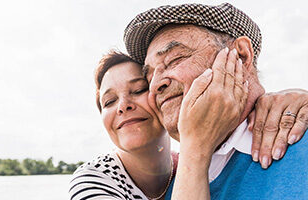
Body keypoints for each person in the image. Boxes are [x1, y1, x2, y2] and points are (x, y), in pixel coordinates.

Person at [123, 2, 308, 199]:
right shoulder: (166, 191)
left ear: (241, 56)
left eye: (175, 59)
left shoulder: (300, 141)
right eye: (148, 78)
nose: (155, 85)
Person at [68, 50, 308, 199]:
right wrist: (196, 144)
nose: (123, 106)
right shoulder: (93, 181)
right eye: (109, 101)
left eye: (139, 90)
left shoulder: (198, 162)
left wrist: (292, 98)